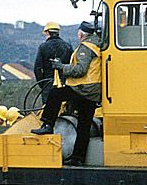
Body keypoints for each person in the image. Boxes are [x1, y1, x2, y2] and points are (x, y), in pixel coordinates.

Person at [30, 21, 101, 166]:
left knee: (56, 94)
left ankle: (47, 124)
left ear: (81, 34)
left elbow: (80, 69)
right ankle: (78, 157)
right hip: (94, 91)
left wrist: (61, 67)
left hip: (83, 88)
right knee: (84, 126)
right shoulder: (96, 44)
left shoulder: (86, 47)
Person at [33, 21, 73, 104]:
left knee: (48, 110)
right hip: (65, 84)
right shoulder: (67, 46)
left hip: (48, 85)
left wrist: (43, 84)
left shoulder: (43, 47)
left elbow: (37, 69)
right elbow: (72, 66)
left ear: (47, 32)